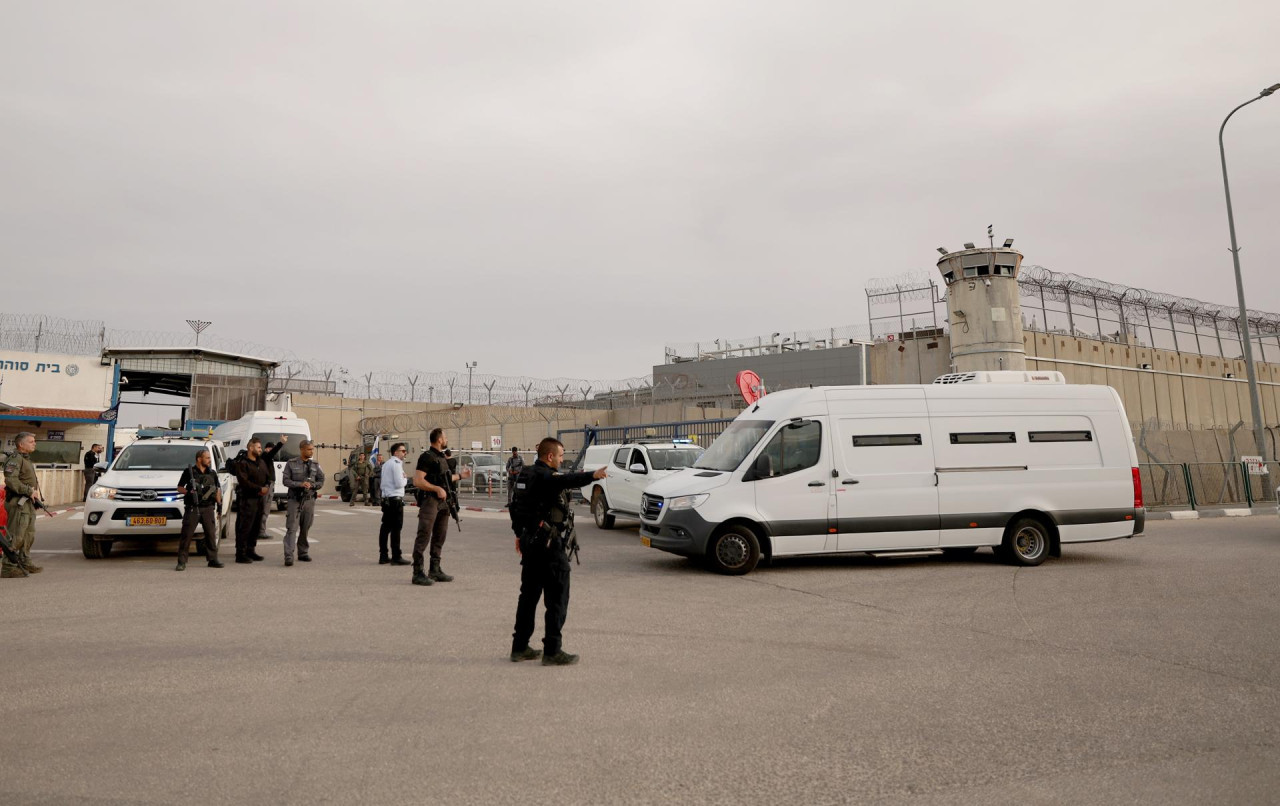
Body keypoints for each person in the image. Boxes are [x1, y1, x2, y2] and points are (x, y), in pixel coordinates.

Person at [508, 437, 606, 666]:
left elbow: (516, 507)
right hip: (548, 547)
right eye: (561, 456)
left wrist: (519, 534)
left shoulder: (526, 474)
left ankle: (519, 647)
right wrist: (593, 475)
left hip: (530, 545)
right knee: (557, 598)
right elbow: (569, 480)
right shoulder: (545, 476)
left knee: (528, 598)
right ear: (550, 456)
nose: (562, 460)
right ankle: (552, 650)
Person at [410, 428, 460, 586]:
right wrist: (436, 489)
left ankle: (435, 569)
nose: (446, 439)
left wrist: (460, 476)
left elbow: (444, 478)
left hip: (444, 502)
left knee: (440, 536)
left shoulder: (441, 457)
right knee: (424, 535)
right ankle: (417, 573)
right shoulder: (427, 457)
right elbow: (418, 481)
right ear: (439, 439)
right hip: (430, 501)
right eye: (445, 436)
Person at [174, 449, 224, 571]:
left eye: (209, 458)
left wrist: (219, 505)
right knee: (187, 535)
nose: (209, 460)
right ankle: (182, 561)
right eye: (207, 458)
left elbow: (217, 489)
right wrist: (189, 492)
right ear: (199, 459)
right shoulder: (189, 472)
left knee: (211, 535)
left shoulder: (212, 473)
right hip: (193, 508)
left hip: (208, 508)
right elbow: (179, 488)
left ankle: (212, 559)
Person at [2, 432, 43, 578]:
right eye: (31, 441)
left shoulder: (25, 459)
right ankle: (8, 566)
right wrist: (27, 490)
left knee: (28, 534)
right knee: (16, 535)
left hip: (27, 502)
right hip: (18, 502)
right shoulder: (15, 459)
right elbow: (11, 480)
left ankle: (24, 561)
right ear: (21, 444)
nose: (34, 443)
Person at [281, 440, 324, 566]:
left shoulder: (315, 464)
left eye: (312, 449)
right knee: (292, 528)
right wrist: (300, 484)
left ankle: (303, 552)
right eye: (309, 449)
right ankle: (289, 555)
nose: (312, 451)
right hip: (294, 500)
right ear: (302, 450)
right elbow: (285, 480)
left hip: (309, 500)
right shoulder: (291, 463)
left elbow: (321, 479)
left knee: (305, 527)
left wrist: (313, 485)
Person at [231, 437, 272, 564]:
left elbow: (268, 476)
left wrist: (266, 486)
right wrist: (259, 489)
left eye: (260, 447)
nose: (260, 449)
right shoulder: (243, 463)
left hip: (260, 499)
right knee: (245, 526)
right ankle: (240, 554)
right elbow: (244, 482)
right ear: (251, 448)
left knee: (256, 525)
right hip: (247, 499)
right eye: (258, 447)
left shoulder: (261, 462)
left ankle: (251, 550)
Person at [378, 443, 411, 565]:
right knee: (396, 528)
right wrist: (405, 479)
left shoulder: (386, 464)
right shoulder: (396, 464)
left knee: (385, 528)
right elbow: (399, 483)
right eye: (403, 450)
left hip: (386, 499)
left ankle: (383, 555)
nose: (405, 452)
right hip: (395, 499)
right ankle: (396, 556)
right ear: (395, 452)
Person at [256, 438, 287, 543]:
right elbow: (273, 452)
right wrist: (281, 443)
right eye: (272, 449)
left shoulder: (267, 458)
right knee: (264, 509)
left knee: (265, 509)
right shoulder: (265, 456)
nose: (274, 452)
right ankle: (260, 531)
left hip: (269, 485)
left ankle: (260, 530)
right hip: (266, 486)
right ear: (267, 449)